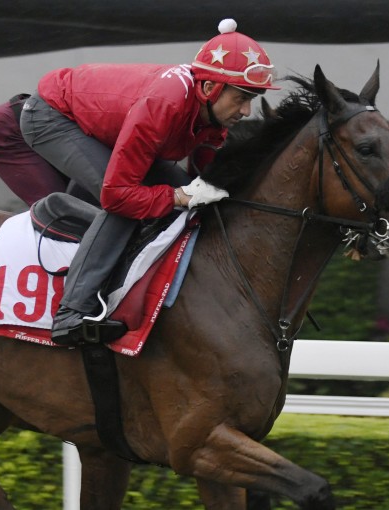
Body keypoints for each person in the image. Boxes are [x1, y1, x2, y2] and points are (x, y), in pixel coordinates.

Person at [20, 19, 279, 345]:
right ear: (211, 89)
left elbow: (203, 184)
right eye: (241, 98)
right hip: (52, 116)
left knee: (191, 196)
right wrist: (178, 196)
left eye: (252, 98)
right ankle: (71, 313)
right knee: (128, 205)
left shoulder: (212, 116)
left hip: (100, 125)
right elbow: (118, 197)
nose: (246, 110)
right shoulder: (166, 105)